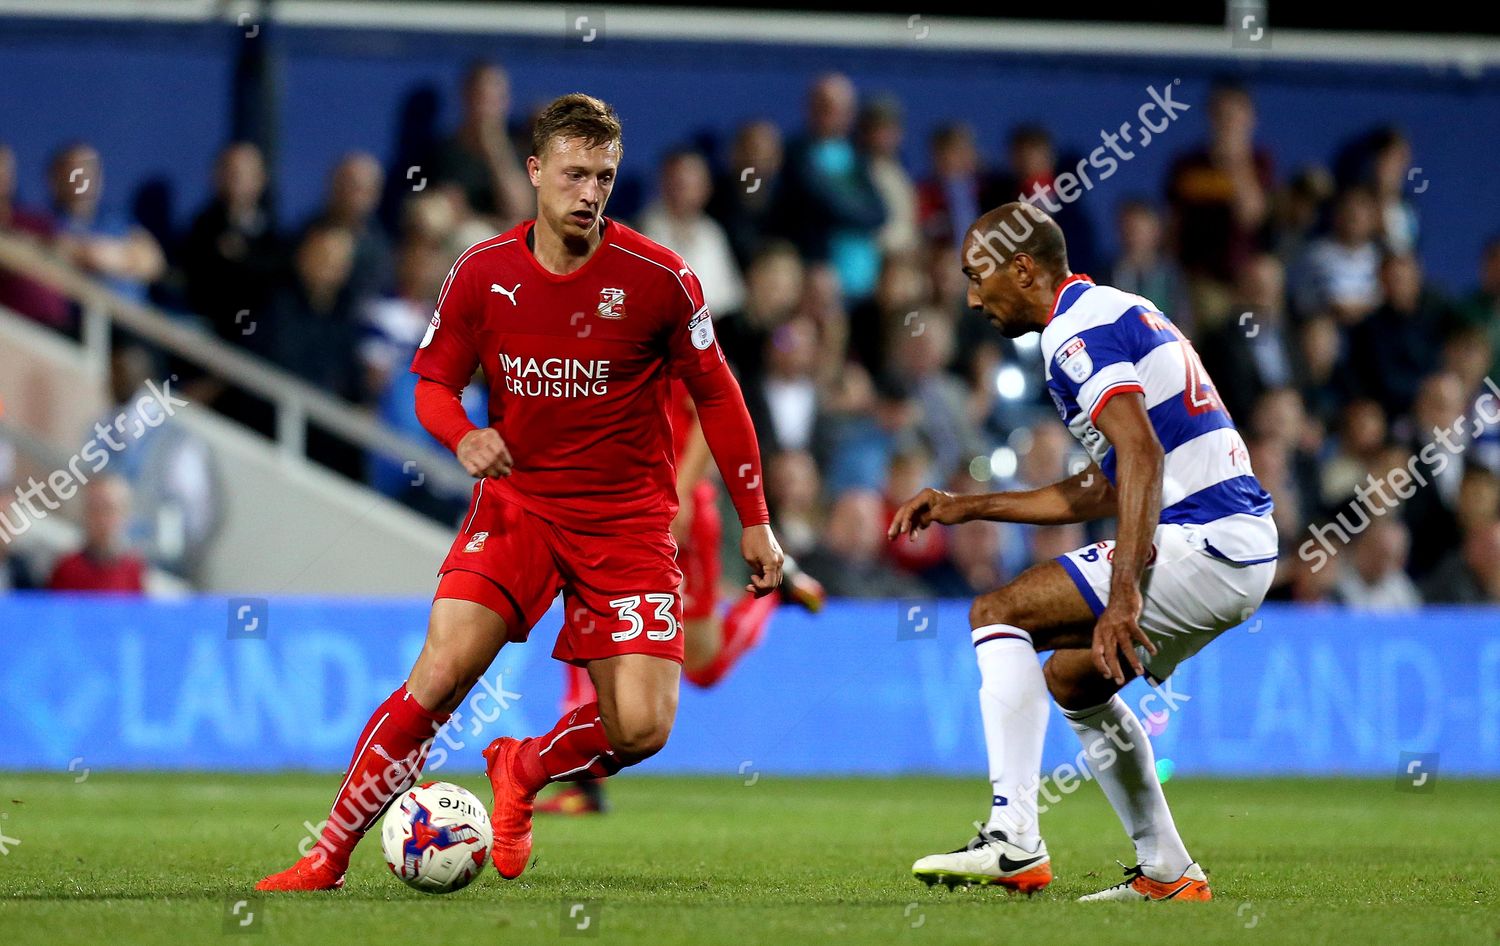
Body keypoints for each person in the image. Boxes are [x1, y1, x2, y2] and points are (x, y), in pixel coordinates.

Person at [255, 93, 784, 892]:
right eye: (574, 174)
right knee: (439, 676)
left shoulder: (660, 280)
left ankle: (524, 766)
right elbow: (432, 381)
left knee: (642, 727)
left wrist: (756, 521)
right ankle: (327, 854)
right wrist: (461, 434)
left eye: (603, 176)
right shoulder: (484, 272)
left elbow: (719, 395)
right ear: (535, 172)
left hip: (627, 523)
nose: (589, 193)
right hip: (519, 507)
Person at [888, 202, 1276, 901]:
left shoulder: (1074, 331)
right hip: (1235, 544)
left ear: (1024, 267)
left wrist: (1123, 593)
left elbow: (1140, 452)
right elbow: (1106, 484)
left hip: (1206, 537)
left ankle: (1014, 840)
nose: (973, 298)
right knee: (1073, 680)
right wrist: (966, 505)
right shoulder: (1113, 310)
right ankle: (1168, 872)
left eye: (979, 277)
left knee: (996, 612)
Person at [542, 383, 826, 815]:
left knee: (702, 667)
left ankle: (773, 592)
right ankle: (584, 785)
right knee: (584, 616)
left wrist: (679, 492)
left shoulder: (670, 326)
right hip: (612, 507)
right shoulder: (593, 332)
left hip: (673, 515)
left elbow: (714, 407)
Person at [47, 475, 147, 593]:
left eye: (109, 509)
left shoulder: (134, 569)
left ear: (124, 514)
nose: (102, 519)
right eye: (95, 509)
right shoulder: (67, 569)